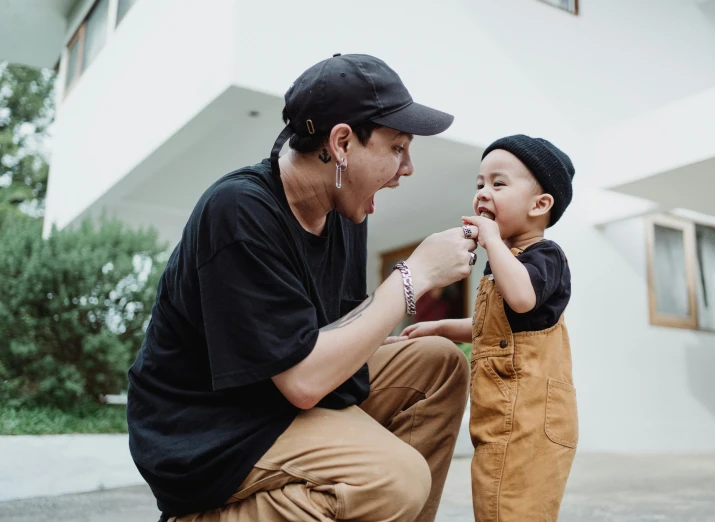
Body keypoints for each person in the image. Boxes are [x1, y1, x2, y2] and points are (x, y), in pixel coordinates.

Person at [126, 54, 480, 522]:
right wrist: (413, 277)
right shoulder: (239, 211)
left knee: (437, 364)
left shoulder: (345, 213)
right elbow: (303, 381)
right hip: (213, 431)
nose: (408, 167)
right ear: (341, 143)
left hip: (278, 400)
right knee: (395, 478)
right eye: (397, 147)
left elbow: (337, 338)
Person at [402, 134, 579, 521]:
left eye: (499, 184)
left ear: (541, 204)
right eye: (479, 184)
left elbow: (521, 300)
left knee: (512, 504)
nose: (483, 193)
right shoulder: (504, 262)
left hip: (530, 419)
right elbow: (492, 328)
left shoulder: (544, 256)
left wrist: (494, 242)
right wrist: (442, 328)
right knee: (494, 498)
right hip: (501, 416)